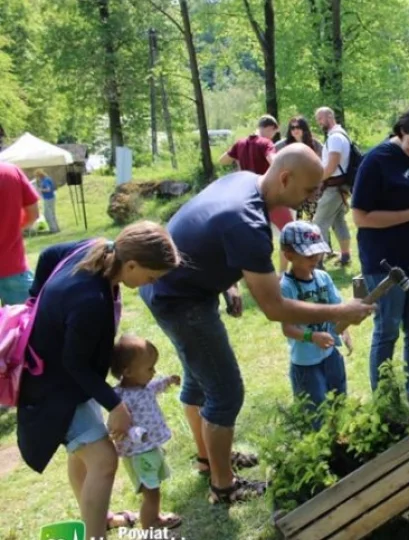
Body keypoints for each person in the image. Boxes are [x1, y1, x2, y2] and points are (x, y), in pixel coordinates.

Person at [140, 144, 375, 505]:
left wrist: (228, 282)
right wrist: (340, 312)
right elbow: (274, 307)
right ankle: (223, 485)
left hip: (172, 286)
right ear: (284, 178)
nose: (314, 196)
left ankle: (208, 458)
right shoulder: (248, 223)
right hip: (179, 300)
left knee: (199, 378)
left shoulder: (245, 180)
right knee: (225, 391)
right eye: (309, 189)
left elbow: (206, 233)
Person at [17, 222, 180, 539]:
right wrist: (116, 405)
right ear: (130, 264)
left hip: (66, 378)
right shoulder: (91, 301)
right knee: (104, 461)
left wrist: (35, 299)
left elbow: (50, 253)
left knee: (84, 456)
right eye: (150, 277)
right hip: (52, 389)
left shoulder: (98, 247)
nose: (150, 283)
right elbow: (74, 363)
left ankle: (98, 519)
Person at [351, 106, 409, 408]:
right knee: (387, 327)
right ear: (400, 131)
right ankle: (385, 400)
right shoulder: (376, 161)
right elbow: (361, 217)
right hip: (384, 260)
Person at [279, 221, 352, 422]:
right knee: (314, 413)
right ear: (289, 255)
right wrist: (312, 336)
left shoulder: (323, 277)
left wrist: (345, 332)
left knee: (339, 401)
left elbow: (338, 308)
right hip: (305, 362)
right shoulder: (286, 287)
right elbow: (288, 328)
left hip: (331, 355)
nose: (315, 258)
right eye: (308, 255)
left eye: (318, 253)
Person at [111, 335, 182, 531]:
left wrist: (168, 381)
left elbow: (154, 386)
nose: (154, 372)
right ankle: (150, 524)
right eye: (149, 368)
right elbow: (118, 427)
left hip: (148, 449)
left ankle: (155, 518)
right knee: (151, 492)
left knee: (154, 488)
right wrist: (136, 433)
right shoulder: (120, 399)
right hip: (139, 453)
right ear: (128, 371)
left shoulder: (141, 387)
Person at [220, 114, 294, 272]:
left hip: (247, 197)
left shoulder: (240, 143)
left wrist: (239, 160)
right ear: (269, 128)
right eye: (274, 133)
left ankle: (253, 272)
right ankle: (282, 274)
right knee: (288, 231)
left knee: (256, 236)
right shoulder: (266, 143)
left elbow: (222, 160)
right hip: (268, 195)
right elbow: (274, 161)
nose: (273, 137)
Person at [314, 107, 354, 267]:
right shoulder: (339, 135)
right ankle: (345, 256)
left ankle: (317, 263)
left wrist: (318, 180)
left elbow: (331, 165)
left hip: (334, 187)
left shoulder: (336, 138)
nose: (319, 123)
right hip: (339, 186)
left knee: (319, 224)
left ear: (330, 117)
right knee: (338, 221)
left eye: (320, 119)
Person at [0, 162, 40, 306]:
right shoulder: (10, 171)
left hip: (13, 268)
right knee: (24, 324)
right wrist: (13, 229)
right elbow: (33, 214)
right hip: (12, 266)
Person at [276, 116, 324, 223]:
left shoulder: (315, 144)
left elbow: (323, 163)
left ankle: (319, 239)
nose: (295, 130)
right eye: (292, 128)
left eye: (298, 127)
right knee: (299, 222)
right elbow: (270, 154)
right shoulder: (283, 144)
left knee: (308, 221)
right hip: (292, 189)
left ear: (304, 128)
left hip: (311, 188)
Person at [34, 169, 60, 234]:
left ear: (39, 175)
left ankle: (53, 229)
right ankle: (56, 228)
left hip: (48, 198)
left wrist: (40, 189)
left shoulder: (45, 180)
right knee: (52, 214)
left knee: (47, 214)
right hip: (52, 197)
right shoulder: (48, 178)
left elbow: (48, 189)